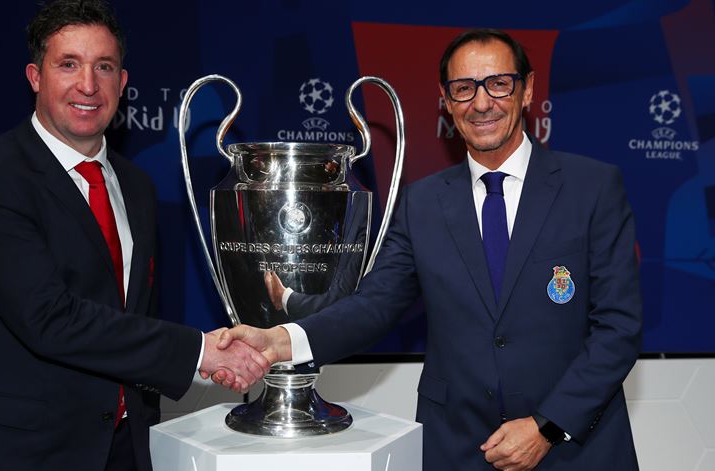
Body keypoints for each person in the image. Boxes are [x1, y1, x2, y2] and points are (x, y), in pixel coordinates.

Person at [219, 29, 643, 471]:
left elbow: (619, 328)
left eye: (498, 83)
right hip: (459, 449)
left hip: (574, 448)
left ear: (528, 88)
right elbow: (374, 306)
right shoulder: (421, 203)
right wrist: (279, 340)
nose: (481, 104)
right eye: (463, 89)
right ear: (446, 99)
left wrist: (546, 426)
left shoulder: (592, 188)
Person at [0, 1, 268, 470]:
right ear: (35, 77)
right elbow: (49, 319)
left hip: (119, 450)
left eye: (104, 67)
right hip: (10, 455)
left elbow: (134, 315)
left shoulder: (137, 186)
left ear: (122, 83)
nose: (88, 85)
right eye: (68, 65)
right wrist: (200, 352)